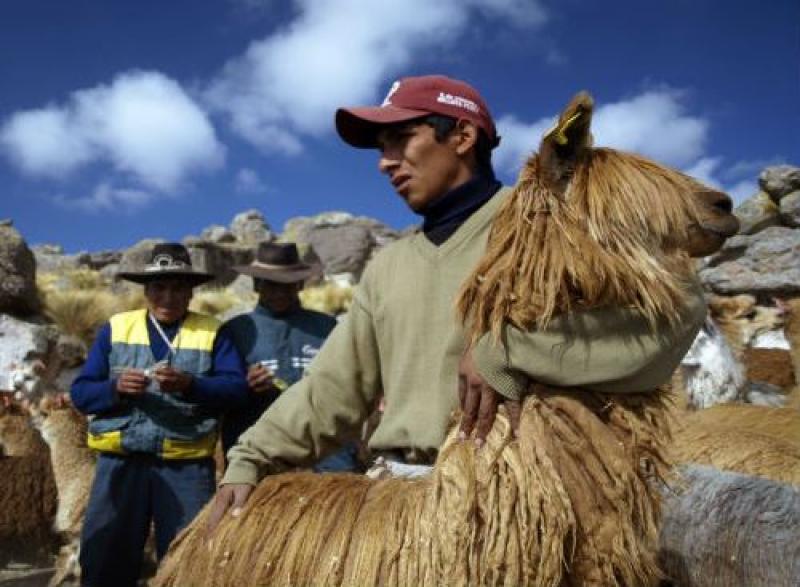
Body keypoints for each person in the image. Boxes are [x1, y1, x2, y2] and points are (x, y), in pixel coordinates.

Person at [207, 74, 706, 529]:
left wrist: (510, 351)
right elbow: (331, 389)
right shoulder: (389, 268)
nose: (384, 162)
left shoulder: (549, 223)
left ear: (462, 137)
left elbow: (677, 307)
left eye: (402, 139)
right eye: (381, 148)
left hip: (524, 508)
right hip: (398, 503)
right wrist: (252, 456)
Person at [71, 243, 248, 587]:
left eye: (178, 287)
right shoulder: (116, 328)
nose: (168, 296)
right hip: (119, 463)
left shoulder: (214, 331)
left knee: (187, 561)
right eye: (159, 287)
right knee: (104, 558)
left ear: (191, 292)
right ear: (146, 291)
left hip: (186, 466)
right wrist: (115, 388)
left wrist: (191, 384)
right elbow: (81, 393)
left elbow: (236, 390)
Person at [219, 241, 358, 472]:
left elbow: (350, 384)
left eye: (288, 285)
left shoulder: (327, 327)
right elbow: (220, 392)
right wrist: (245, 385)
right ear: (256, 284)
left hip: (327, 454)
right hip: (257, 452)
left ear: (300, 284)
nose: (280, 293)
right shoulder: (234, 330)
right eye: (271, 285)